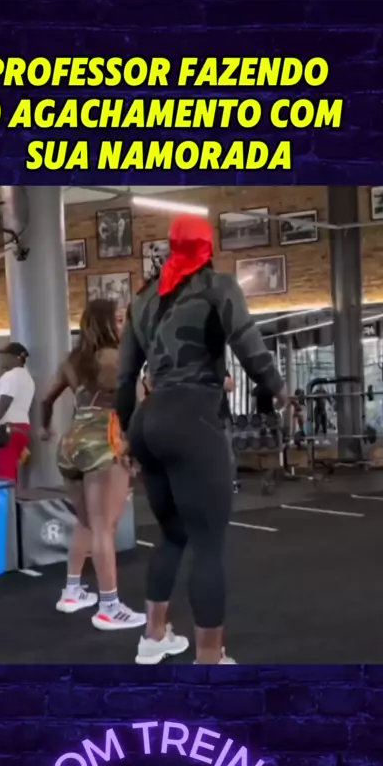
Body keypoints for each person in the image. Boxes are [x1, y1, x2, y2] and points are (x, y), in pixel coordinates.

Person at [115, 214, 287, 665]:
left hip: (149, 421)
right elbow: (249, 345)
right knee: (208, 546)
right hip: (192, 416)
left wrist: (128, 436)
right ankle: (210, 659)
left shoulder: (142, 298)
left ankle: (154, 636)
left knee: (173, 534)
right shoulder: (217, 286)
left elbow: (125, 378)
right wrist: (280, 390)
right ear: (207, 247)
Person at [40, 298, 145, 632]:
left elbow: (45, 399)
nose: (123, 325)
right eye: (119, 319)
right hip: (105, 440)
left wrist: (44, 428)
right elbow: (139, 407)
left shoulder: (72, 361)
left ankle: (72, 591)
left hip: (71, 442)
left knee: (86, 522)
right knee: (104, 527)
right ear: (104, 323)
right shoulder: (119, 358)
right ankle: (109, 607)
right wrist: (136, 450)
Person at [0, 342, 35, 482]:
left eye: (5, 356)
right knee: (10, 471)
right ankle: (13, 496)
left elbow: (4, 402)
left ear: (16, 358)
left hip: (7, 429)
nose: (2, 359)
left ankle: (8, 497)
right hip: (21, 428)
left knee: (5, 475)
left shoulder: (11, 376)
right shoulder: (27, 377)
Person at [220, 370, 240, 493]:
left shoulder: (218, 369)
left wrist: (216, 379)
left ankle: (232, 482)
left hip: (222, 416)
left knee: (228, 451)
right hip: (204, 417)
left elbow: (230, 387)